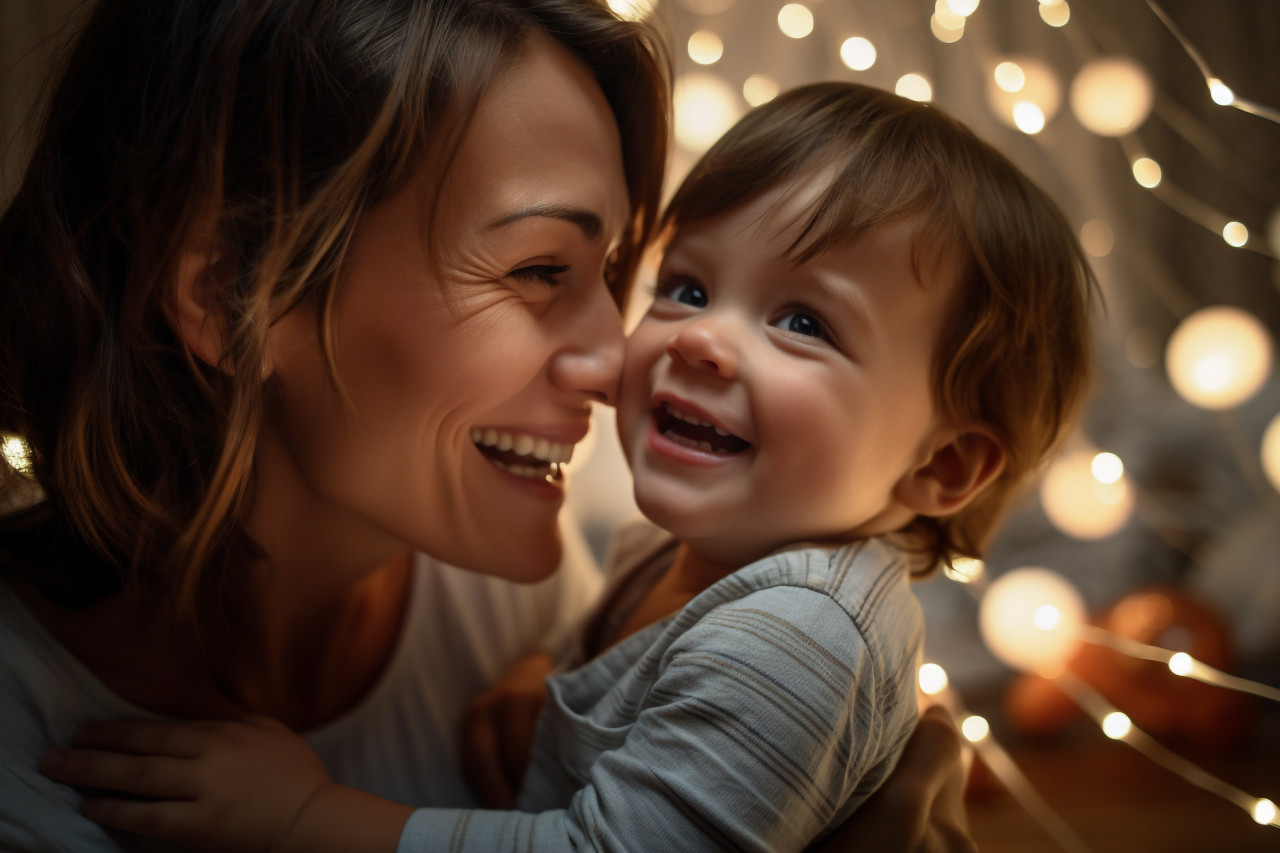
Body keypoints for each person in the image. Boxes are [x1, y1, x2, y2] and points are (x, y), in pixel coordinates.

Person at [0, 1, 973, 850]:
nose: (614, 360)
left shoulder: (504, 592)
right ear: (233, 296)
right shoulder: (26, 757)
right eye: (538, 270)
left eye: (611, 275)